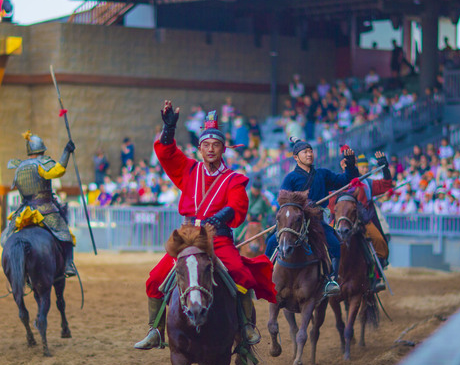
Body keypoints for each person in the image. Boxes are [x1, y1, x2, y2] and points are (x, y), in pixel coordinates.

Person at [134, 104, 276, 350]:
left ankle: (245, 326)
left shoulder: (233, 179)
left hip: (217, 238)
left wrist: (221, 216)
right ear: (199, 148)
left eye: (216, 145)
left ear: (223, 148)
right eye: (206, 145)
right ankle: (156, 330)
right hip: (186, 237)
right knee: (155, 279)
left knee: (240, 274)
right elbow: (167, 154)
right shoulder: (188, 169)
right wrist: (169, 128)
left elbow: (238, 204)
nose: (211, 149)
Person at [265, 137, 359, 297]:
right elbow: (283, 201)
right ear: (296, 157)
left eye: (310, 151)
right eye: (305, 152)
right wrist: (302, 205)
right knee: (271, 242)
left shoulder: (323, 174)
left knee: (335, 244)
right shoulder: (290, 178)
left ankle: (331, 281)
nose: (309, 154)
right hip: (294, 222)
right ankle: (264, 277)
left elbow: (345, 180)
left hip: (317, 222)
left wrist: (350, 166)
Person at [1, 131, 77, 275]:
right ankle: (68, 265)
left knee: (6, 238)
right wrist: (66, 152)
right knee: (65, 234)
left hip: (23, 212)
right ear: (41, 150)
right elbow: (58, 171)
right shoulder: (42, 164)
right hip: (45, 210)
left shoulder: (19, 167)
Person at [345, 151, 394, 294]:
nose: (365, 170)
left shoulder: (369, 182)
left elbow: (386, 184)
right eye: (362, 167)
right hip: (347, 220)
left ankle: (377, 275)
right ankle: (330, 278)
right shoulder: (347, 181)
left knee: (379, 240)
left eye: (366, 167)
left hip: (365, 221)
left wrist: (384, 167)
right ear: (356, 167)